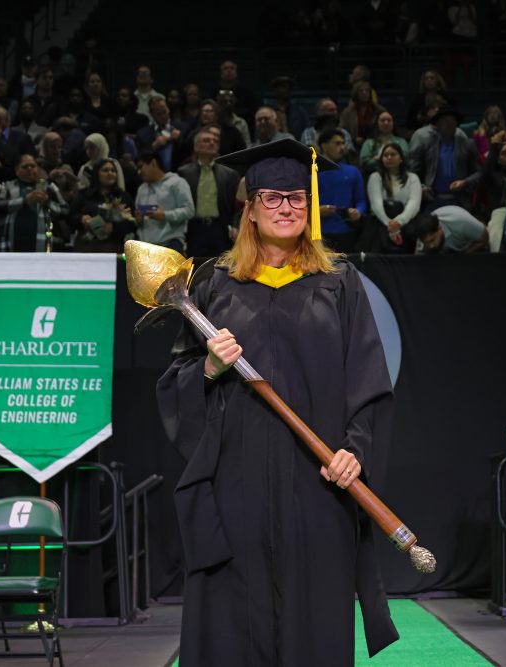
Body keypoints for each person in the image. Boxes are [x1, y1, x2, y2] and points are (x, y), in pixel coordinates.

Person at [156, 137, 398, 666]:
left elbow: (369, 379)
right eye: (272, 197)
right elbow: (175, 383)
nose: (286, 207)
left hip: (317, 485)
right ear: (249, 209)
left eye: (296, 198)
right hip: (235, 484)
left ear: (309, 209)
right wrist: (208, 368)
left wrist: (353, 450)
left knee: (314, 619)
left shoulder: (339, 283)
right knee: (233, 620)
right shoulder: (215, 284)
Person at [178, 129, 241, 257]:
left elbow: (237, 205)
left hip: (221, 229)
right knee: (196, 270)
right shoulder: (184, 173)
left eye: (215, 141)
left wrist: (236, 225)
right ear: (196, 147)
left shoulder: (230, 174)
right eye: (206, 141)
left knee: (222, 269)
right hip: (194, 229)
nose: (212, 143)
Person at [0, 154, 69, 252]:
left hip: (45, 245)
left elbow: (65, 211)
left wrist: (47, 202)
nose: (29, 169)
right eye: (25, 167)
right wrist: (24, 201)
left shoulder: (49, 187)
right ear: (17, 171)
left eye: (33, 166)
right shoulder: (7, 186)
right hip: (11, 244)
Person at [315, 129, 367, 252]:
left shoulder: (353, 172)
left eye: (343, 143)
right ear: (324, 145)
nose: (342, 147)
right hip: (319, 233)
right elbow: (302, 204)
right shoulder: (311, 173)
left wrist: (358, 211)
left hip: (347, 232)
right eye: (337, 143)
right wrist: (316, 210)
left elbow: (361, 201)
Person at [69, 158, 135, 253]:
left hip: (113, 248)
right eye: (105, 170)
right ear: (97, 174)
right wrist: (81, 219)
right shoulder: (84, 195)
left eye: (113, 171)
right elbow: (70, 218)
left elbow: (132, 223)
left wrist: (113, 228)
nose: (110, 173)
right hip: (86, 247)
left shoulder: (123, 197)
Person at [134, 150, 194, 253]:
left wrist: (165, 215)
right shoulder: (141, 189)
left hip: (171, 243)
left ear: (153, 163)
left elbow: (189, 210)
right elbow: (138, 217)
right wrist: (138, 220)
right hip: (146, 246)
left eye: (141, 166)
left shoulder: (177, 183)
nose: (139, 172)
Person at [365, 143, 422, 251]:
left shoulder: (413, 178)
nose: (389, 157)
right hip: (381, 225)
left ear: (401, 158)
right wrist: (390, 225)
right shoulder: (375, 177)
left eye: (393, 154)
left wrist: (399, 222)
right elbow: (376, 204)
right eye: (385, 155)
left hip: (406, 224)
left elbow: (414, 203)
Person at [404, 207, 488, 253]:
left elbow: (485, 237)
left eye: (432, 240)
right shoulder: (422, 233)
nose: (431, 245)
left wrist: (465, 256)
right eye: (426, 242)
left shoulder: (461, 221)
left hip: (470, 246)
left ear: (440, 229)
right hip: (449, 251)